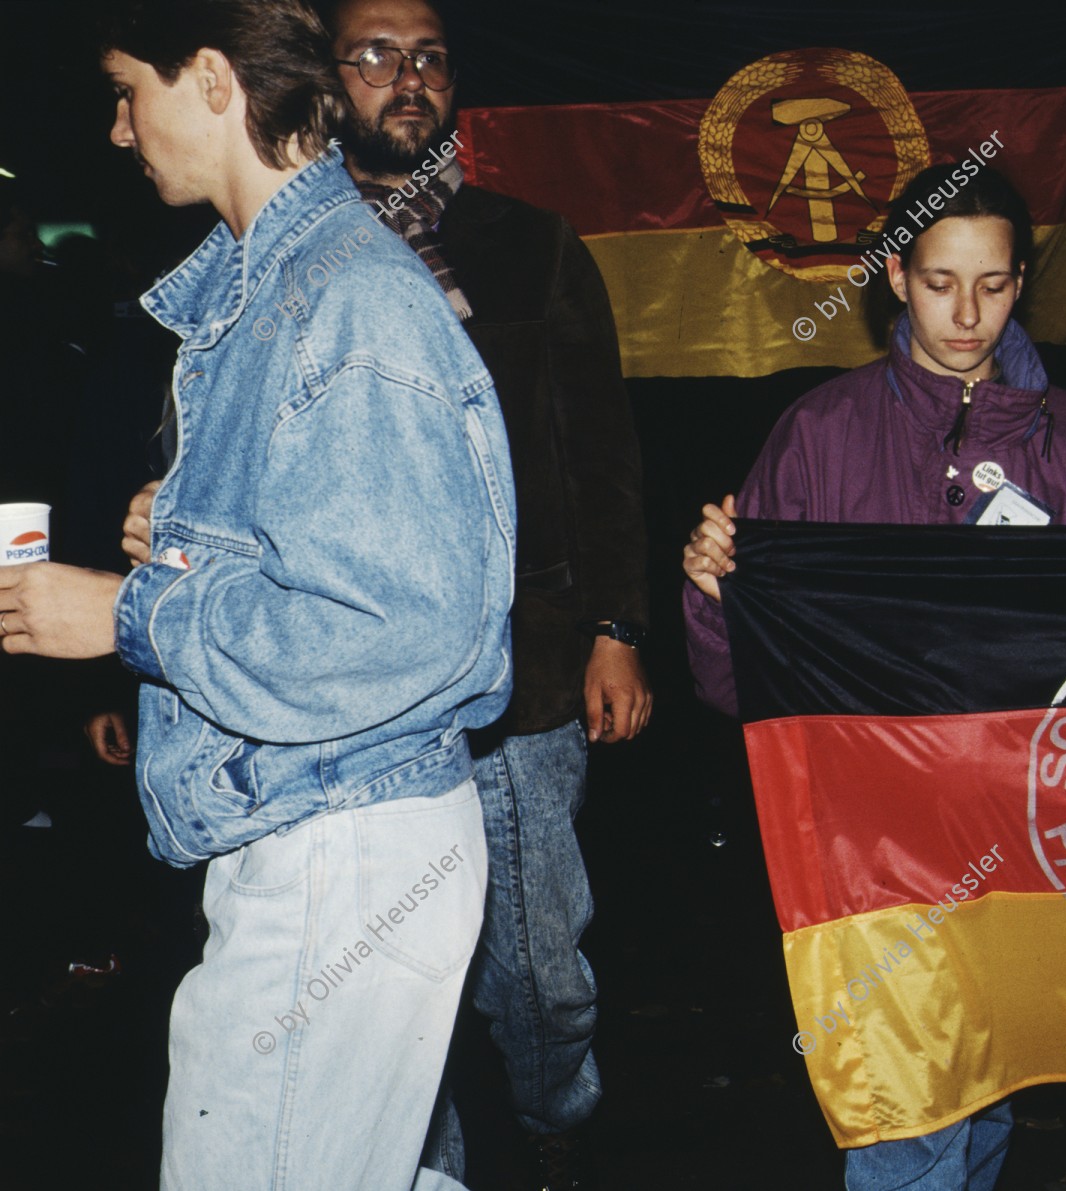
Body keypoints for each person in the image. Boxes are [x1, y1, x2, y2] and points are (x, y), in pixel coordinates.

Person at [0, 1, 516, 1185]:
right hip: (308, 822)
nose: (122, 131)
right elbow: (327, 553)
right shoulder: (264, 292)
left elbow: (404, 625)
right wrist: (181, 533)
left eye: (131, 90)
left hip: (340, 842)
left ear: (216, 83)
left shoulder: (346, 298)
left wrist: (127, 613)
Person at [682, 163, 1066, 1189]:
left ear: (1022, 282)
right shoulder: (818, 434)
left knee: (981, 1111)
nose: (967, 312)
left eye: (992, 285)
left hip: (1025, 856)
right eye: (941, 281)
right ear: (896, 275)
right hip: (874, 861)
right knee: (908, 1123)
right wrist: (715, 595)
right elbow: (736, 691)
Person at [322, 1, 652, 1184]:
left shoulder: (531, 243)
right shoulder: (296, 252)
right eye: (375, 56)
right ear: (324, 79)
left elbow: (602, 452)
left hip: (526, 675)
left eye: (428, 59)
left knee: (534, 967)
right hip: (355, 687)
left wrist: (616, 628)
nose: (406, 80)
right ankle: (436, 1164)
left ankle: (561, 1116)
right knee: (394, 971)